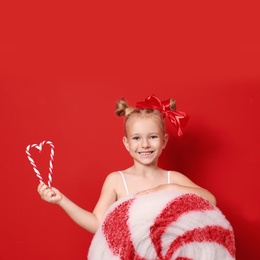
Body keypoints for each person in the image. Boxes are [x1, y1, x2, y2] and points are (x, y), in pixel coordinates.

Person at [38, 95, 235, 259]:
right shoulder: (117, 180)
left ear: (164, 140)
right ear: (126, 143)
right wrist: (62, 201)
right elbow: (98, 224)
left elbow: (210, 199)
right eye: (137, 138)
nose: (145, 145)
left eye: (153, 137)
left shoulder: (171, 179)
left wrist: (164, 190)